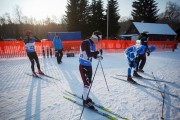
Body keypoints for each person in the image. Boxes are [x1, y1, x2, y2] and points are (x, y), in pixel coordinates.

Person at [79, 30, 103, 109]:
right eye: (99, 38)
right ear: (95, 37)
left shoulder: (93, 44)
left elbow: (93, 55)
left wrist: (98, 56)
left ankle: (85, 96)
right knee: (86, 84)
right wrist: (97, 52)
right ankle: (85, 101)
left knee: (88, 82)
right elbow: (89, 53)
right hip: (83, 66)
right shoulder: (85, 43)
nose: (99, 40)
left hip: (89, 66)